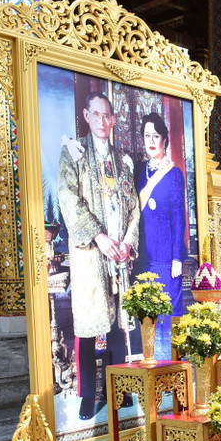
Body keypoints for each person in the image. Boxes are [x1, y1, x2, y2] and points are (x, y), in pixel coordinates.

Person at [58, 91, 139, 420]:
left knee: (121, 326)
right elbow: (68, 198)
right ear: (87, 115)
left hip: (119, 254)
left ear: (113, 119)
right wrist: (99, 236)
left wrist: (127, 242)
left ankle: (120, 392)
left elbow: (133, 207)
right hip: (91, 253)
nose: (103, 121)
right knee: (89, 326)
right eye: (97, 115)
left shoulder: (122, 160)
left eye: (108, 116)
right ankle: (89, 396)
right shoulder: (74, 153)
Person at [131, 113, 187, 361]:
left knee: (168, 312)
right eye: (147, 135)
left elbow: (179, 217)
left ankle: (171, 369)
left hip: (166, 256)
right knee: (146, 314)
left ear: (164, 138)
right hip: (145, 255)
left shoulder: (174, 174)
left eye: (156, 135)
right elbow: (135, 208)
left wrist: (177, 256)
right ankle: (150, 368)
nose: (151, 140)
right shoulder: (138, 171)